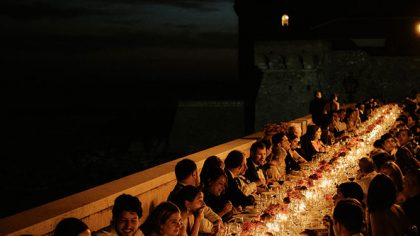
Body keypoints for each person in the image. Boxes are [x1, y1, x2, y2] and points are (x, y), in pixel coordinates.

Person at [167, 159, 222, 234]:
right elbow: (201, 222)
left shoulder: (193, 192)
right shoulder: (178, 197)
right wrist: (213, 228)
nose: (202, 203)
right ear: (194, 174)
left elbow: (205, 209)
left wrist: (218, 220)